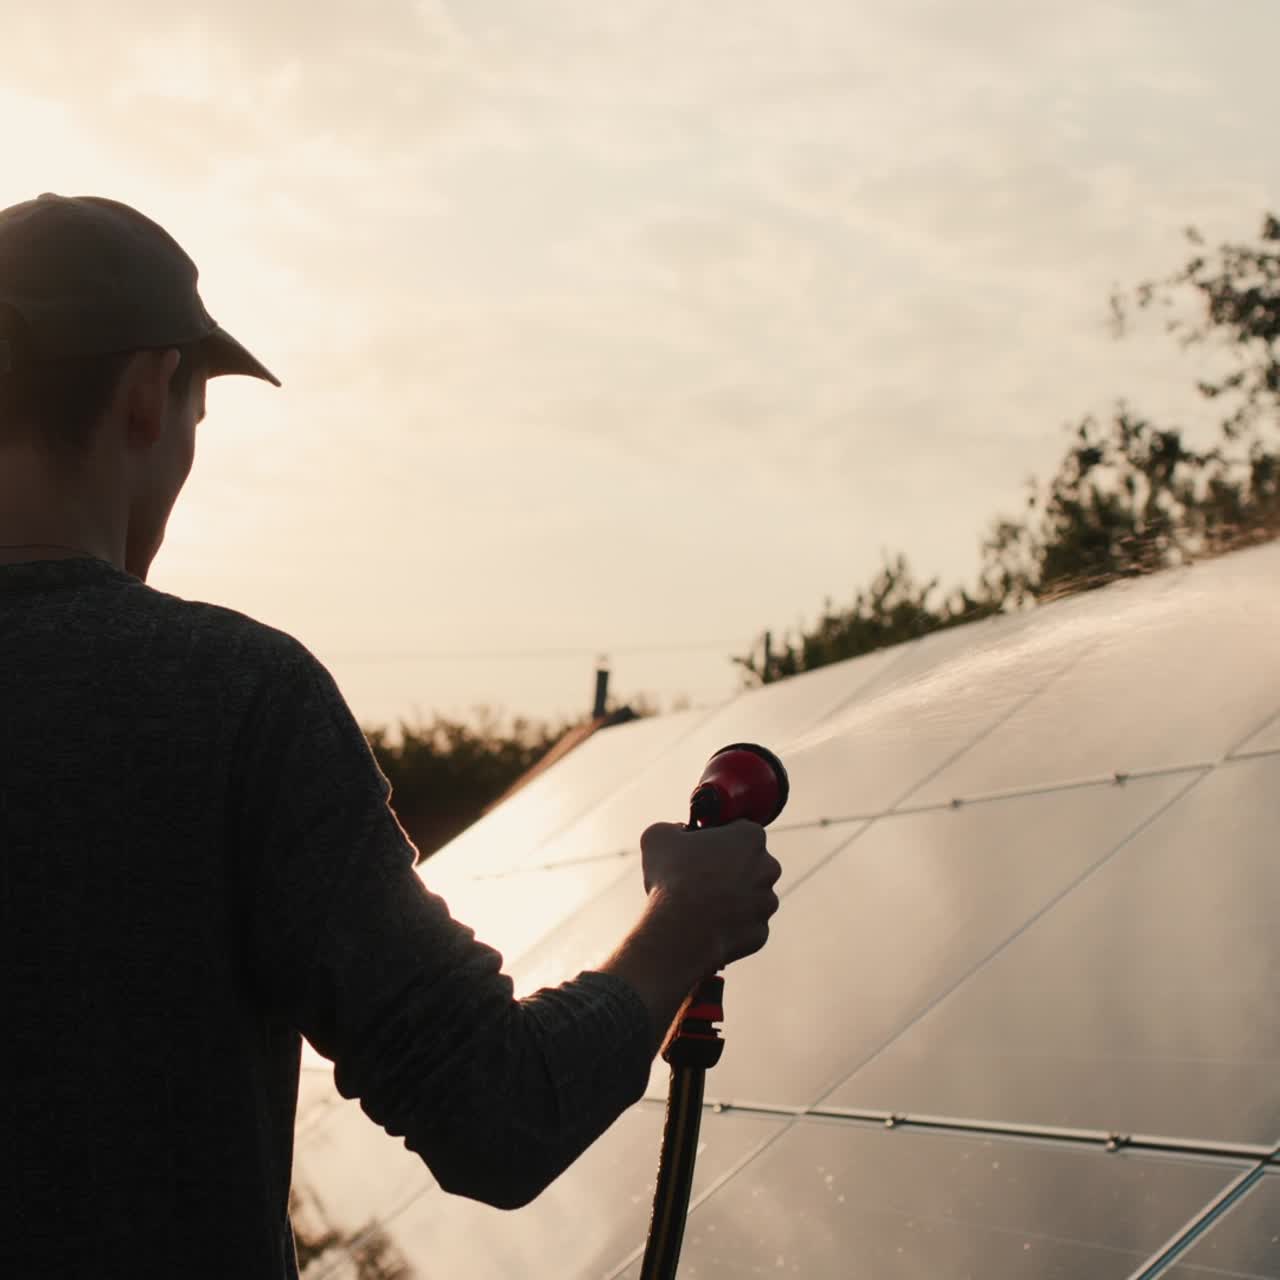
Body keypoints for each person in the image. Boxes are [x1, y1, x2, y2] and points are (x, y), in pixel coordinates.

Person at [0, 194, 782, 1279]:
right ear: (147, 391)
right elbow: (495, 1111)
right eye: (194, 415)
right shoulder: (232, 699)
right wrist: (682, 922)